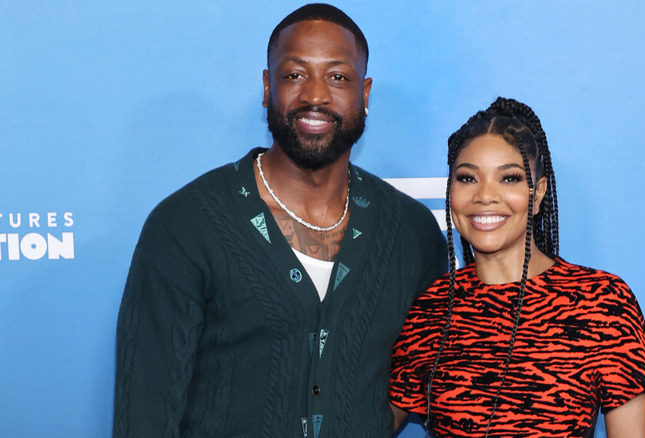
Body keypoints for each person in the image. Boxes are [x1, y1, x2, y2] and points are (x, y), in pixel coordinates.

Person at [113, 4, 447, 437]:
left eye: (338, 77)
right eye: (294, 75)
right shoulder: (185, 225)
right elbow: (145, 413)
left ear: (364, 94)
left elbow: (421, 379)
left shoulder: (412, 232)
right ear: (268, 86)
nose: (315, 95)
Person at [389, 97, 645, 437]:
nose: (485, 195)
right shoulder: (433, 308)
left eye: (509, 178)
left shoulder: (602, 303)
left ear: (538, 194)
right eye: (467, 178)